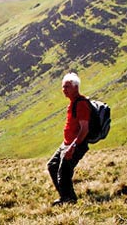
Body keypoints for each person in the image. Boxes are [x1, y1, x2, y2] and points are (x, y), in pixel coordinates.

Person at [47, 72, 90, 205]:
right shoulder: (72, 103)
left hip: (75, 144)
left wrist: (73, 147)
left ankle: (69, 199)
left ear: (76, 87)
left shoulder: (81, 104)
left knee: (64, 172)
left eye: (67, 87)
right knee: (52, 166)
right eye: (63, 87)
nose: (64, 90)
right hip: (66, 143)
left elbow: (84, 129)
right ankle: (65, 196)